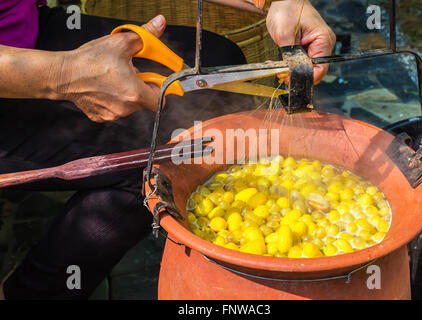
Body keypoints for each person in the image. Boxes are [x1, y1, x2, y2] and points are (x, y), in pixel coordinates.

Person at [0, 0, 335, 299]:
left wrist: (276, 1)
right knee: (163, 161)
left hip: (23, 31)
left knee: (218, 58)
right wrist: (66, 75)